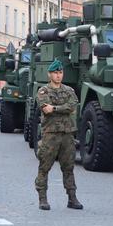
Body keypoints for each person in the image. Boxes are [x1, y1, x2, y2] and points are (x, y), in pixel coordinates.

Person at [34, 59, 81, 211]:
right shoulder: (43, 91)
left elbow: (72, 106)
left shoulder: (69, 90)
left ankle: (72, 198)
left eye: (60, 73)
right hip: (50, 134)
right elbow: (45, 108)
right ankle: (43, 199)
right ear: (49, 74)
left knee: (69, 168)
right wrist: (61, 108)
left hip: (67, 134)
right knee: (44, 167)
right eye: (55, 73)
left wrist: (54, 108)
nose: (58, 76)